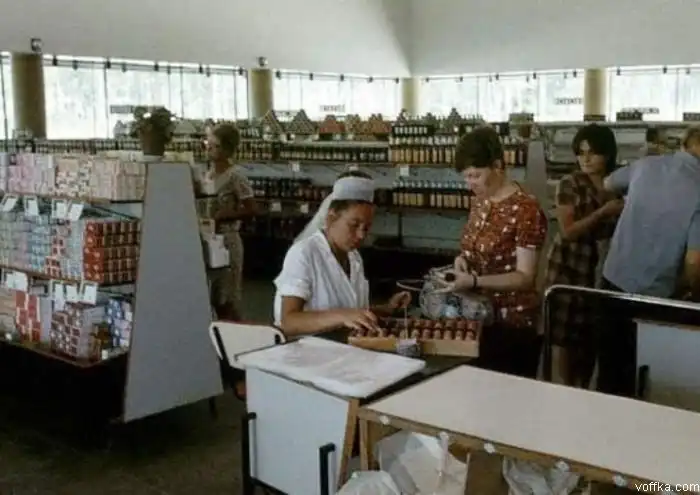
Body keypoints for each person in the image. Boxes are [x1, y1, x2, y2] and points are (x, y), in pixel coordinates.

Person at [436, 127, 548, 379]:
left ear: (498, 166)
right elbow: (471, 248)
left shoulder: (526, 209)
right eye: (466, 177)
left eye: (475, 175)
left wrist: (474, 281)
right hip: (476, 316)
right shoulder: (481, 200)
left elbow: (525, 277)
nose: (470, 184)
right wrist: (462, 260)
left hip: (511, 325)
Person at [599, 125, 700, 397]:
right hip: (656, 297)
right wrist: (689, 289)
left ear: (683, 145)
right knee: (649, 376)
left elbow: (607, 183)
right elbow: (694, 262)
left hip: (613, 281)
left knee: (610, 369)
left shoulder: (646, 165)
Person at [274, 171, 411, 336]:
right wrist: (342, 315)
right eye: (354, 225)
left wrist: (386, 309)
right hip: (306, 349)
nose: (361, 235)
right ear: (331, 218)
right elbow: (288, 322)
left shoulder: (353, 257)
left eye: (366, 227)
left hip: (345, 346)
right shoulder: (304, 253)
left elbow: (353, 312)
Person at [544, 124, 624, 388]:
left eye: (593, 152)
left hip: (602, 268)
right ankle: (566, 391)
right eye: (581, 152)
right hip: (569, 265)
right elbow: (567, 231)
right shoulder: (570, 183)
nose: (586, 159)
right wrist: (602, 213)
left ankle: (583, 389)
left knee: (591, 335)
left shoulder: (617, 184)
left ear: (607, 154)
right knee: (564, 337)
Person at [196, 122, 257, 321]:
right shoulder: (207, 173)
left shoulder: (236, 175)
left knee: (227, 297)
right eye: (208, 144)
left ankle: (238, 333)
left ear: (227, 149)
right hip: (209, 237)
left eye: (215, 146)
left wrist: (227, 214)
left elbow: (252, 208)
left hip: (228, 240)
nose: (209, 150)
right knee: (213, 294)